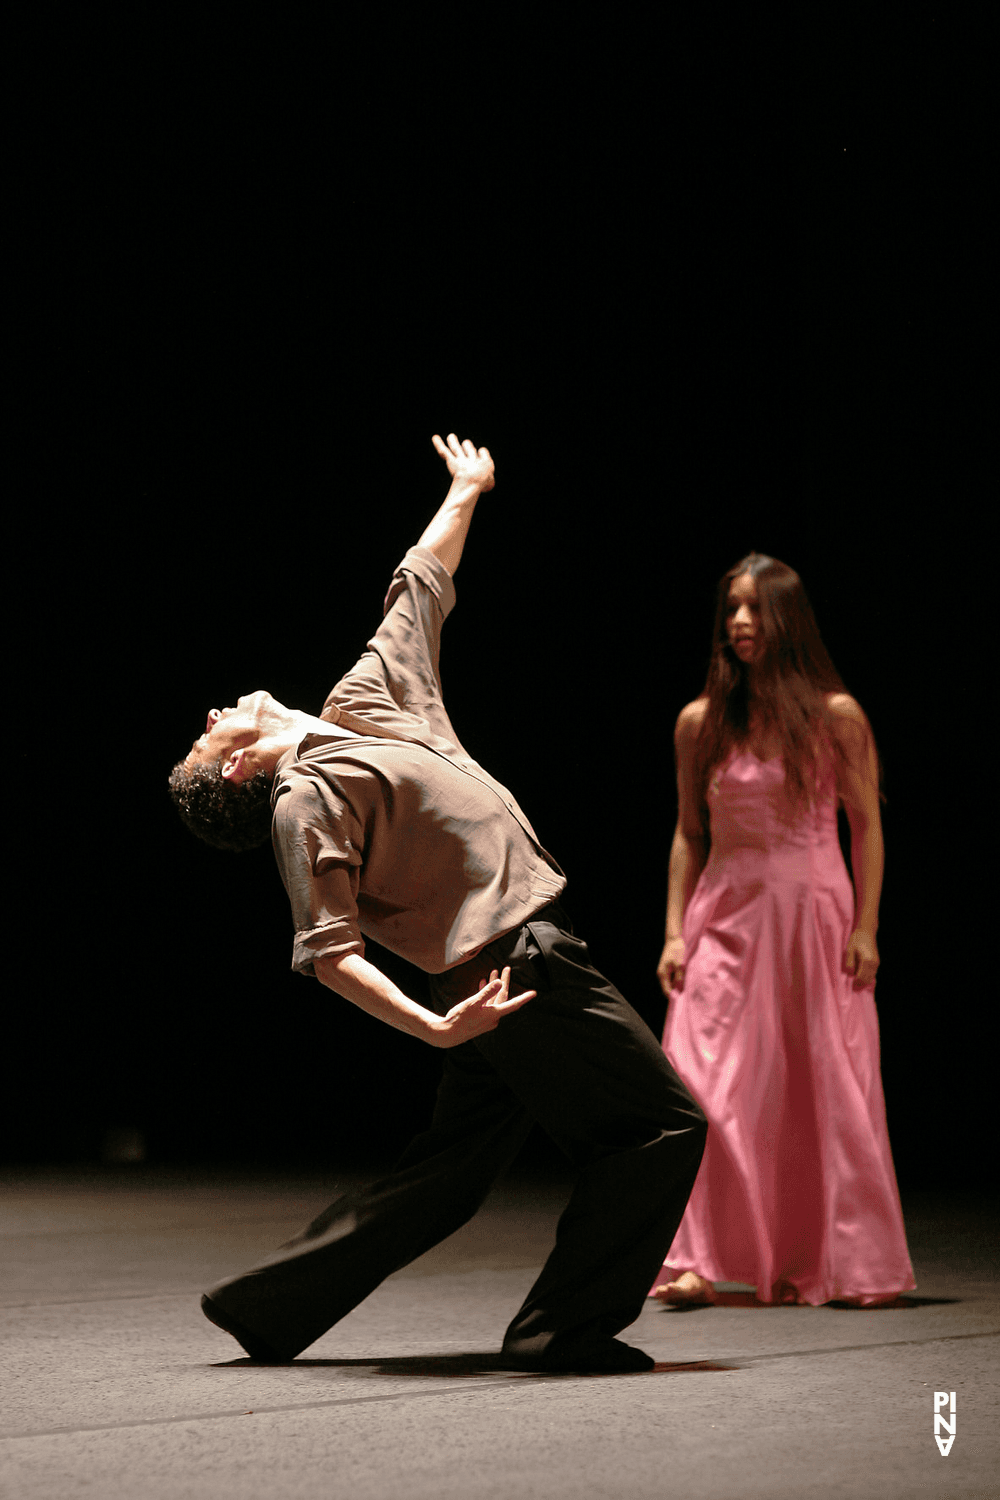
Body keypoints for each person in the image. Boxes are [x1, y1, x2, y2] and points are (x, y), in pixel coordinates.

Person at [169, 433, 706, 1372]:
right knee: (662, 1127)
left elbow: (418, 585)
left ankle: (264, 1307)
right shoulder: (304, 800)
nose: (212, 719)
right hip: (513, 966)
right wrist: (436, 1029)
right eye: (209, 742)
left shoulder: (363, 705)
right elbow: (328, 951)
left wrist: (468, 488)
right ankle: (559, 1332)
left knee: (447, 1176)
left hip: (497, 973)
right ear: (245, 770)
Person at [648, 554, 915, 1309]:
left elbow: (866, 825)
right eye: (732, 608)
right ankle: (692, 1256)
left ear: (786, 621)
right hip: (724, 915)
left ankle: (844, 1261)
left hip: (811, 915)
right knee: (698, 1084)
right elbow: (687, 833)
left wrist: (866, 925)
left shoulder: (837, 717)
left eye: (755, 610)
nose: (739, 623)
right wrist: (673, 932)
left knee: (818, 1084)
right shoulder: (700, 722)